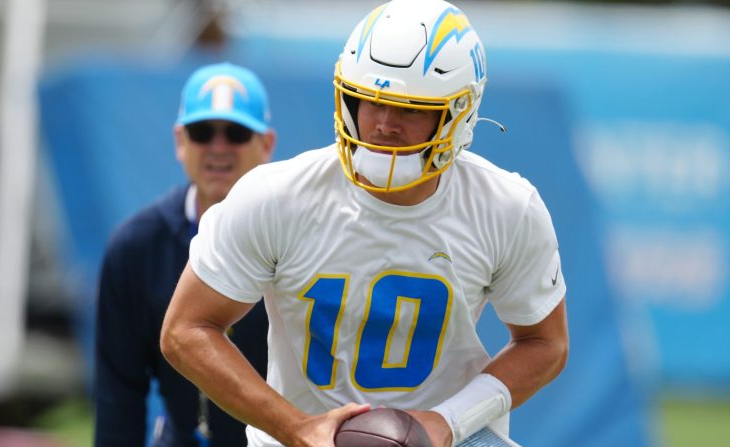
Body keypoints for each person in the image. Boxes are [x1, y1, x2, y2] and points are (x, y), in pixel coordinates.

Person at [161, 1, 569, 446]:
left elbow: (545, 343)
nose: (383, 125)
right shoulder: (276, 197)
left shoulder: (506, 207)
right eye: (369, 101)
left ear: (459, 114)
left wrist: (446, 422)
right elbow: (186, 330)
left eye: (410, 108)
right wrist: (294, 426)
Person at [95, 62, 275, 446]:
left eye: (237, 133)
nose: (218, 147)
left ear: (267, 145)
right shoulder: (137, 246)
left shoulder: (298, 236)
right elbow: (119, 394)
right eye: (202, 131)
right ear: (180, 141)